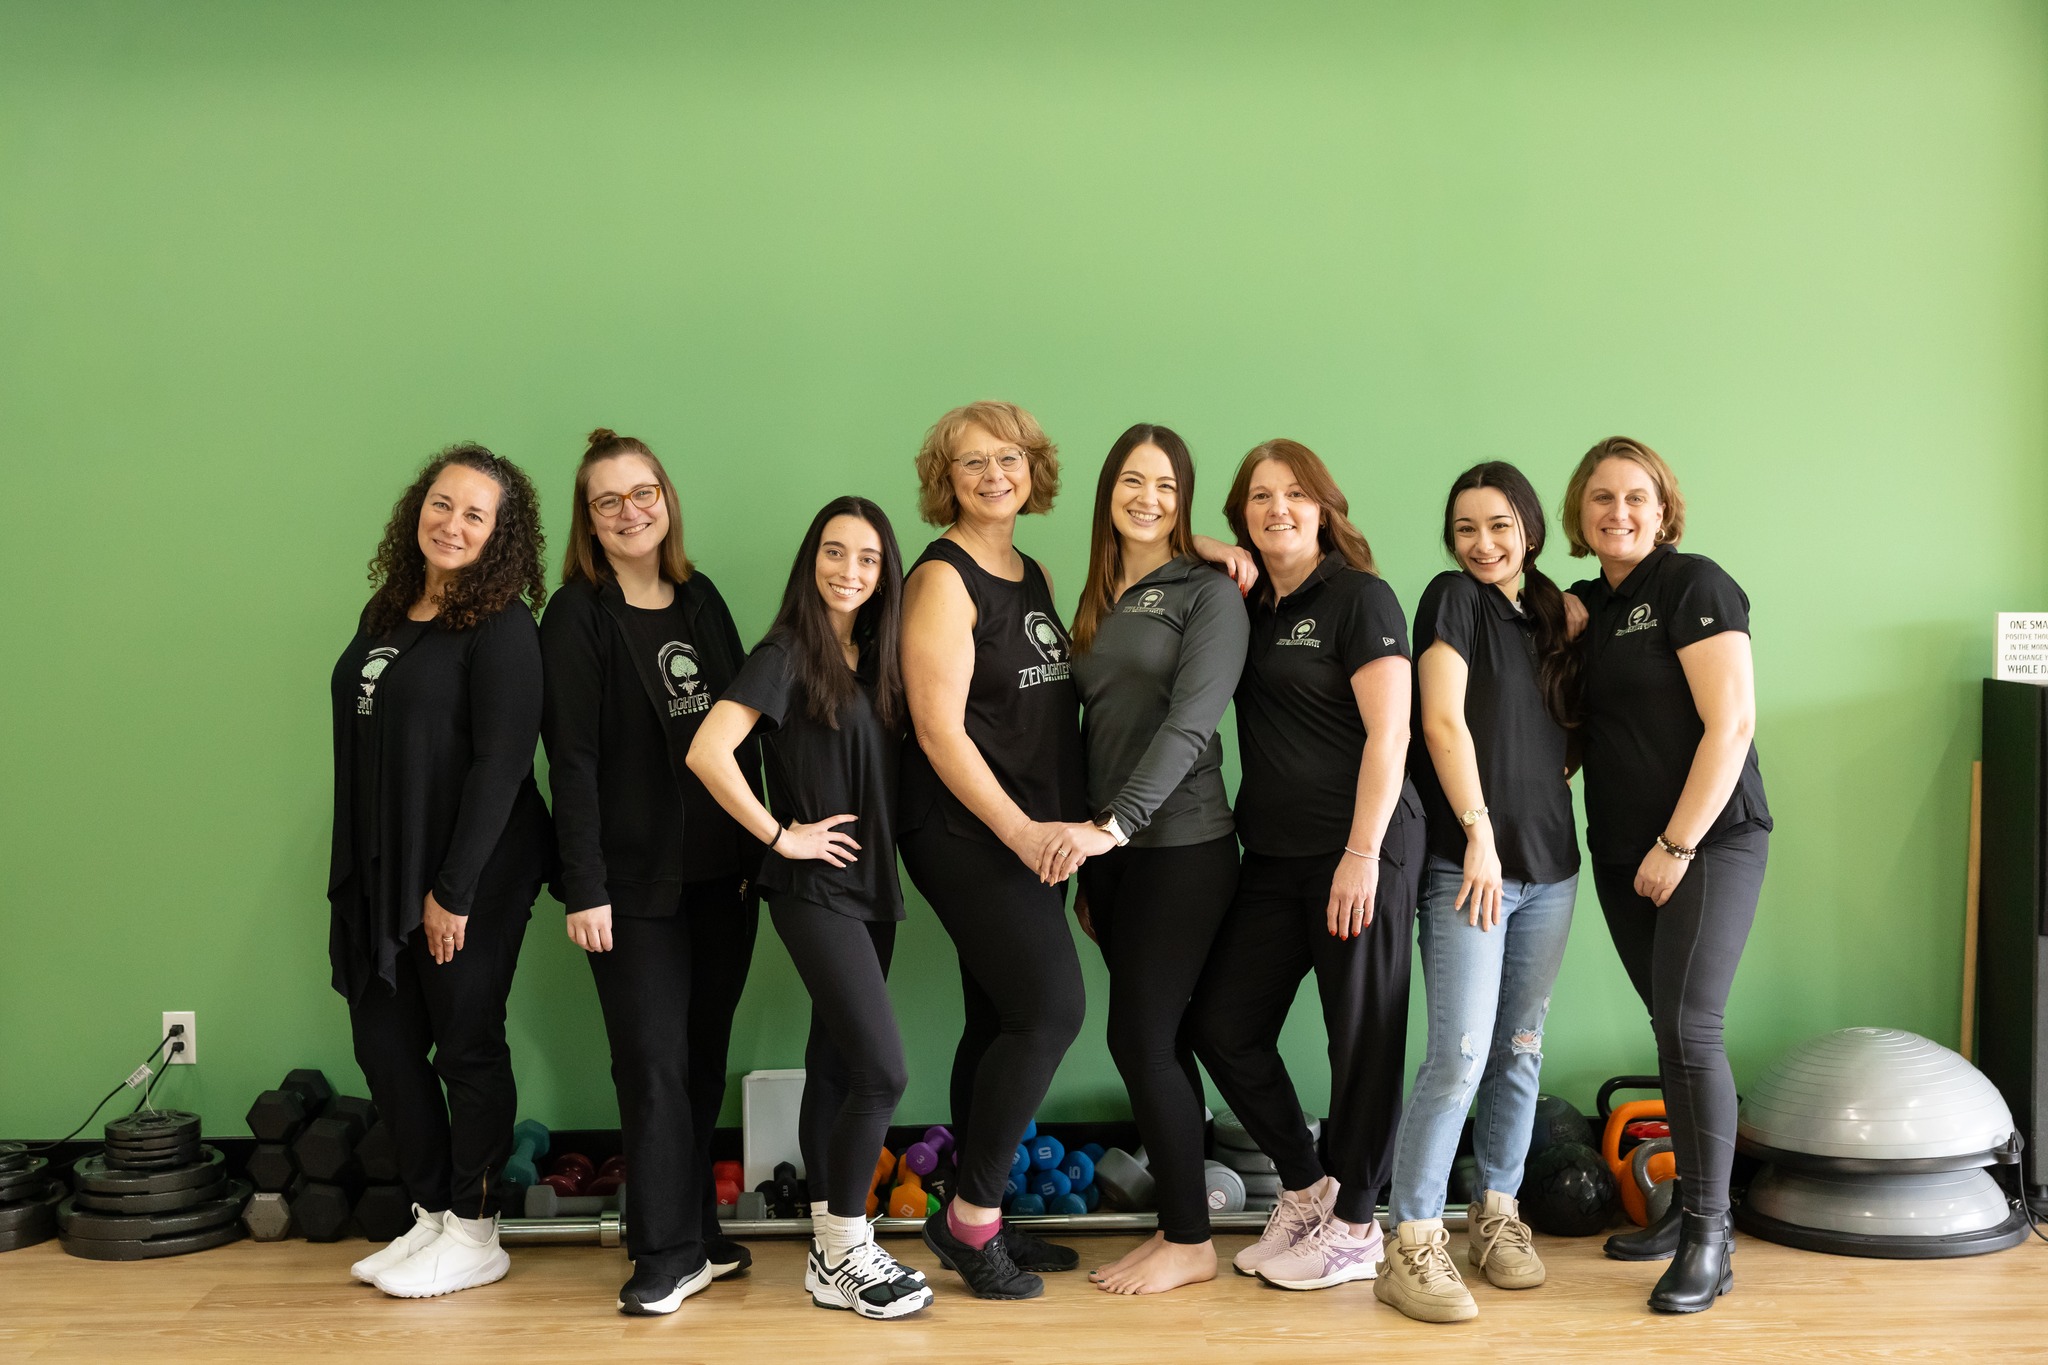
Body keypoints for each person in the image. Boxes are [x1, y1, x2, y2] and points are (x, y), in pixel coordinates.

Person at [687, 496, 932, 1321]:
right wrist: (779, 835)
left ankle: (833, 1255)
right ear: (811, 558)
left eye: (867, 558)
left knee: (835, 1065)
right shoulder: (787, 649)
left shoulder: (875, 655)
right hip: (814, 888)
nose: (850, 571)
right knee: (882, 1071)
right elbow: (708, 749)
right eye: (835, 552)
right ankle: (844, 1243)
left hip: (872, 891)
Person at [1190, 437, 1424, 1292]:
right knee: (1220, 1021)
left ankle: (1359, 1223)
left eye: (1294, 494)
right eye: (1258, 497)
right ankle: (1306, 1185)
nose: (1277, 508)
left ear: (1325, 507)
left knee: (1360, 1036)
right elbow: (1163, 536)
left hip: (1361, 849)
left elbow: (1390, 733)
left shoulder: (1360, 597)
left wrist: (1362, 854)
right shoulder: (1245, 602)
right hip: (1275, 854)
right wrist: (1217, 550)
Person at [538, 429, 759, 1314]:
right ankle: (662, 1253)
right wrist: (582, 882)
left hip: (723, 879)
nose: (631, 511)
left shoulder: (699, 597)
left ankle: (696, 1227)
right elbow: (573, 760)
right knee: (653, 1062)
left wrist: (763, 848)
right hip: (629, 890)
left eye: (644, 493)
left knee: (701, 1059)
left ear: (666, 498)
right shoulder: (577, 615)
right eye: (609, 500)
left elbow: (746, 719)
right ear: (589, 521)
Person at [328, 442, 551, 1299]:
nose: (452, 523)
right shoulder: (386, 610)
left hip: (477, 869)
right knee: (382, 1040)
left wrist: (451, 890)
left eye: (474, 513)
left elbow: (502, 765)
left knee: (465, 1043)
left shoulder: (502, 626)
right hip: (386, 865)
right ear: (416, 509)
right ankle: (430, 1214)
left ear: (499, 534)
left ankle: (477, 1225)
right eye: (441, 503)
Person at [1562, 436, 1769, 1314]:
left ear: (1663, 506)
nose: (1619, 512)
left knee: (1691, 1027)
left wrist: (1678, 845)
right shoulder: (1589, 608)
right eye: (1602, 498)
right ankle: (1686, 1205)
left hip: (1708, 842)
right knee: (1669, 1030)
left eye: (1636, 497)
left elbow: (1733, 724)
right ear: (1578, 513)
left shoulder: (1694, 586)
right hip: (1620, 851)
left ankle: (1710, 1238)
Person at [1374, 462, 1581, 1323]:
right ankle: (1412, 1237)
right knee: (1459, 1051)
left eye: (1499, 525)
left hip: (1553, 870)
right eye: (1466, 527)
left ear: (1529, 526)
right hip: (1472, 864)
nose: (1484, 543)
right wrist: (1480, 831)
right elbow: (1442, 720)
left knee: (1521, 1047)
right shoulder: (1451, 596)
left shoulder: (1553, 614)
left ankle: (1497, 1215)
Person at [897, 399, 1093, 1301]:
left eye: (1007, 458)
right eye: (970, 463)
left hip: (1039, 839)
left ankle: (984, 1211)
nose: (992, 475)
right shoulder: (942, 578)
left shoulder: (1032, 570)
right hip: (970, 834)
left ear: (1031, 467)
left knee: (997, 1018)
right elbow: (939, 732)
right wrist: (1020, 832)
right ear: (947, 479)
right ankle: (969, 1219)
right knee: (1050, 1007)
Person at [1050, 423, 1248, 1295]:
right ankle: (1185, 1217)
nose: (1149, 498)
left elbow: (1189, 722)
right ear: (1108, 491)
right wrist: (1097, 862)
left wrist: (1119, 826)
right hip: (1116, 853)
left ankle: (1189, 1237)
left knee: (1140, 1034)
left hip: (1182, 843)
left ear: (1186, 497)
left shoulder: (1209, 591)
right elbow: (1093, 729)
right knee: (1156, 1037)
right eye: (1134, 481)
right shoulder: (1097, 594)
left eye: (1168, 486)